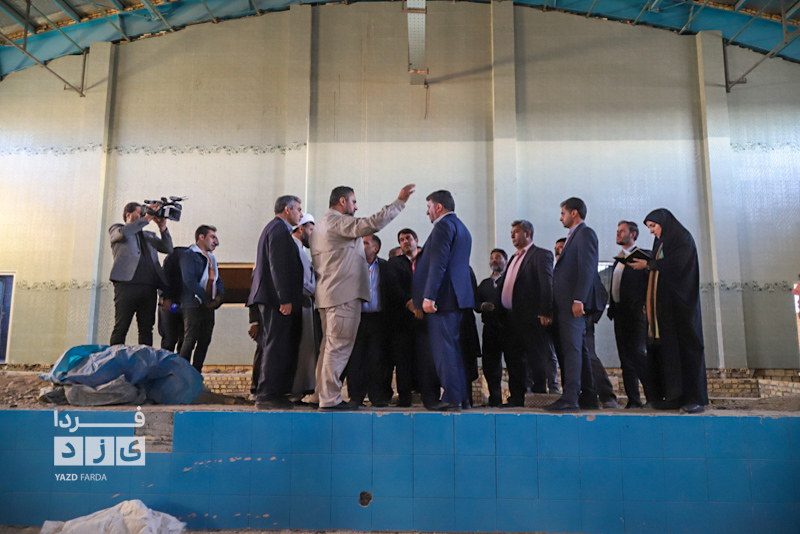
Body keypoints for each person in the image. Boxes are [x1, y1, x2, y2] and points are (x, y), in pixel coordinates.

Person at [309, 184, 415, 411]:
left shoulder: (319, 227)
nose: (356, 207)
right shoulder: (338, 222)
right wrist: (399, 203)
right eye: (354, 202)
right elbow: (370, 224)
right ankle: (330, 399)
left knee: (328, 349)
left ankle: (320, 395)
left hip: (327, 296)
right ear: (342, 202)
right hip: (343, 296)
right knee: (338, 349)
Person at [629, 208, 708, 414]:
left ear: (665, 223)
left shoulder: (682, 238)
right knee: (666, 353)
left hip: (681, 308)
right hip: (664, 311)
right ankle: (672, 397)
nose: (651, 231)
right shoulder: (660, 242)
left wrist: (650, 264)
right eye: (649, 227)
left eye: (653, 226)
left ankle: (693, 398)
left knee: (686, 351)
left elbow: (678, 265)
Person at [412, 190, 474, 411]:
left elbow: (438, 263)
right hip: (455, 298)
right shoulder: (462, 227)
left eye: (429, 206)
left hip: (443, 299)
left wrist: (429, 296)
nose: (427, 211)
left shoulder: (443, 226)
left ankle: (452, 398)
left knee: (444, 351)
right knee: (453, 350)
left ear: (438, 207)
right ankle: (461, 397)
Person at [247, 195, 305, 410]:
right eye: (298, 209)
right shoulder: (279, 229)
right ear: (287, 209)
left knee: (280, 346)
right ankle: (267, 394)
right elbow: (277, 266)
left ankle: (277, 393)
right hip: (276, 300)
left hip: (274, 299)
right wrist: (285, 298)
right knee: (276, 347)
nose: (300, 214)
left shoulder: (276, 229)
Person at [546, 197, 598, 412]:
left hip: (573, 303)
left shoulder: (585, 234)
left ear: (574, 213)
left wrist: (579, 299)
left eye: (563, 213)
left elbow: (588, 267)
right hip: (566, 303)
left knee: (572, 350)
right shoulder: (573, 236)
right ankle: (588, 396)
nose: (561, 218)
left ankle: (570, 398)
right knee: (579, 349)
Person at [500, 220, 556, 405]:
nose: (512, 236)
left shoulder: (540, 254)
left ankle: (538, 395)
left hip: (532, 317)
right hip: (511, 318)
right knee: (513, 359)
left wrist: (545, 311)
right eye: (511, 232)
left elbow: (547, 284)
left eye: (516, 232)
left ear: (528, 233)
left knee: (536, 358)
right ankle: (516, 397)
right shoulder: (513, 258)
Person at [109, 201, 173, 346]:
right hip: (126, 286)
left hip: (149, 288)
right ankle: (115, 358)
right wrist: (148, 218)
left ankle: (145, 359)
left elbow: (168, 249)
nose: (144, 215)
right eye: (140, 212)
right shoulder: (117, 229)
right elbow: (124, 233)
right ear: (128, 215)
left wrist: (162, 227)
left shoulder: (149, 235)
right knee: (121, 327)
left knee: (146, 329)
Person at [608, 220, 653, 408]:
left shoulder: (643, 257)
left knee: (638, 354)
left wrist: (644, 305)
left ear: (633, 234)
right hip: (620, 315)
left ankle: (653, 397)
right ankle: (633, 400)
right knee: (625, 359)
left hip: (636, 314)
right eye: (617, 231)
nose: (618, 234)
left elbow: (651, 282)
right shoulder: (618, 261)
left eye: (622, 231)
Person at [344, 235, 393, 407]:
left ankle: (377, 396)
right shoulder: (352, 265)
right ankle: (356, 397)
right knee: (356, 358)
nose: (361, 246)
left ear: (375, 248)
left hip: (379, 319)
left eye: (365, 243)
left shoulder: (386, 267)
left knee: (377, 358)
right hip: (357, 318)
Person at [387, 228, 424, 407]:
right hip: (402, 320)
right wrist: (409, 304)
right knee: (403, 360)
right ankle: (404, 398)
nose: (405, 242)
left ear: (416, 240)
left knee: (425, 358)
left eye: (408, 238)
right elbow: (394, 286)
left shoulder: (426, 261)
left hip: (425, 318)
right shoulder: (395, 263)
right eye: (401, 240)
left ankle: (428, 395)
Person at [179, 225, 224, 372]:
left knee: (204, 341)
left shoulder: (212, 258)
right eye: (212, 237)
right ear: (201, 237)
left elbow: (218, 280)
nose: (215, 241)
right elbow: (189, 280)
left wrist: (219, 298)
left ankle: (196, 373)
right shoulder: (189, 255)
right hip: (193, 304)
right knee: (190, 340)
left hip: (208, 305)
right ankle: (182, 374)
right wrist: (206, 298)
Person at [290, 213, 320, 403]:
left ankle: (298, 391)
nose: (313, 234)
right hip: (299, 304)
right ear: (301, 229)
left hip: (306, 305)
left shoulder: (300, 249)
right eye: (311, 229)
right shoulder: (293, 248)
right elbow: (298, 281)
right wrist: (315, 291)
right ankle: (293, 392)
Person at [476, 248, 507, 407]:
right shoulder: (485, 284)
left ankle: (516, 398)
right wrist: (482, 306)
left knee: (513, 362)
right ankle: (495, 398)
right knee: (490, 364)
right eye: (492, 257)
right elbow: (475, 302)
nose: (494, 260)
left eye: (499, 257)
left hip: (508, 328)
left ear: (505, 261)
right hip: (490, 329)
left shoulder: (509, 281)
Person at [157, 245, 188, 352]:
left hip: (172, 305)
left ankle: (168, 362)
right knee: (180, 341)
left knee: (169, 341)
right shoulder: (180, 258)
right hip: (176, 305)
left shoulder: (174, 258)